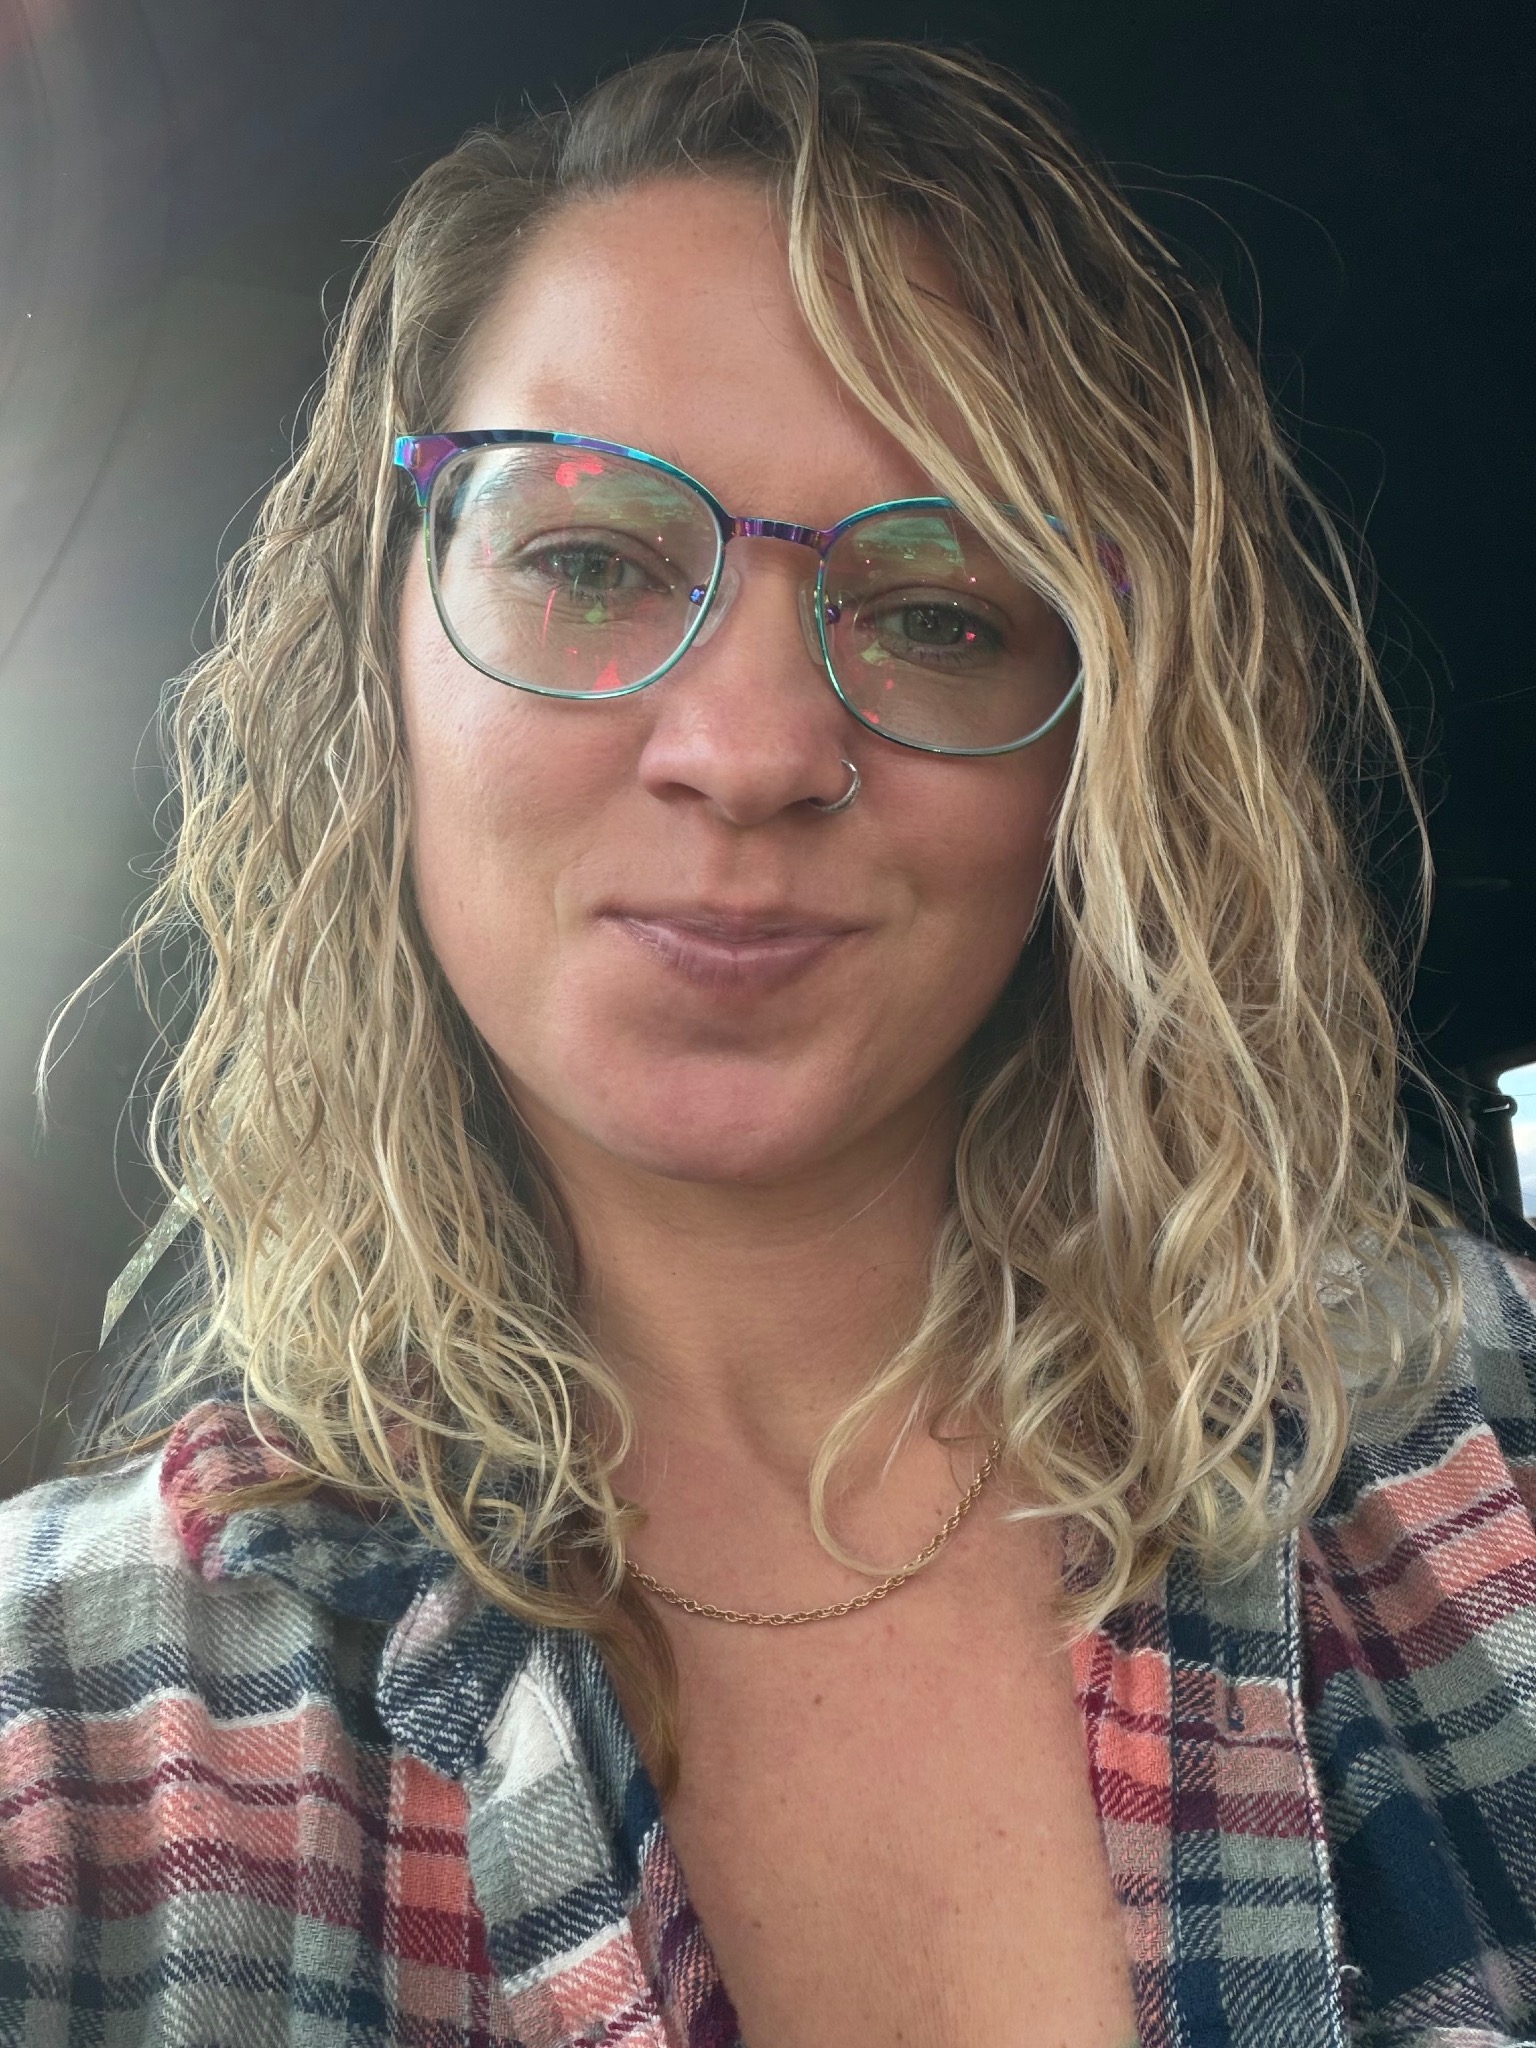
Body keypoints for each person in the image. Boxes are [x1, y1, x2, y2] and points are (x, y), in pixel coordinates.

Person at [3, 24, 1535, 2048]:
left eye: (939, 610)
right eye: (586, 560)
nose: (747, 752)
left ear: (1103, 751)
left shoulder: (1481, 1442)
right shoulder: (76, 1730)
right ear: (375, 667)